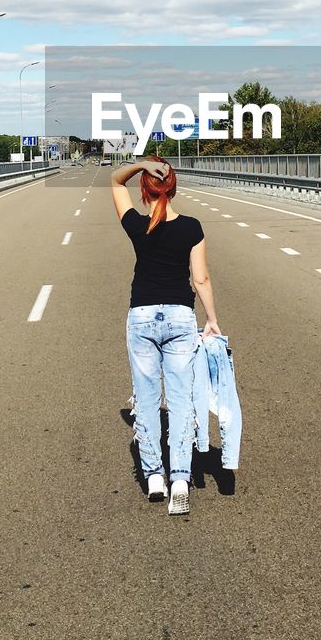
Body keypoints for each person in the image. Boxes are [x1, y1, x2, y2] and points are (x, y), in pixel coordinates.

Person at [111, 155, 220, 516]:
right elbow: (200, 278)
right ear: (173, 188)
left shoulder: (136, 226)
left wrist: (141, 165)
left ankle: (153, 476)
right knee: (179, 400)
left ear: (145, 189)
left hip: (141, 315)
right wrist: (212, 319)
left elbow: (114, 181)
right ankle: (179, 479)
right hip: (179, 317)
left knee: (145, 399)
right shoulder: (192, 227)